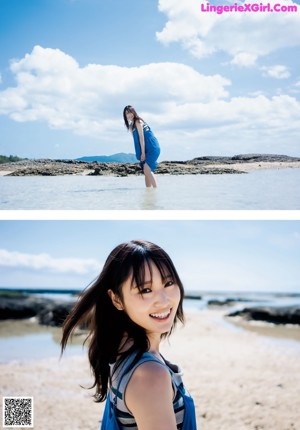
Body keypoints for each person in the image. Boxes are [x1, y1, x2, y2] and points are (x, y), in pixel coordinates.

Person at [61, 240, 197, 430]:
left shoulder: (121, 352)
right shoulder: (149, 375)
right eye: (146, 290)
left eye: (168, 283)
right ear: (117, 299)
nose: (163, 300)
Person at [123, 106, 160, 188]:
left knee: (147, 169)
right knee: (145, 171)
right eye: (127, 113)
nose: (129, 115)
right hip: (145, 148)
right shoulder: (130, 127)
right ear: (125, 116)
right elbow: (136, 140)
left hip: (152, 147)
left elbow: (141, 137)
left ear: (134, 112)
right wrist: (140, 153)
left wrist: (143, 153)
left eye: (130, 112)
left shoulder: (138, 121)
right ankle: (149, 195)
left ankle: (156, 191)